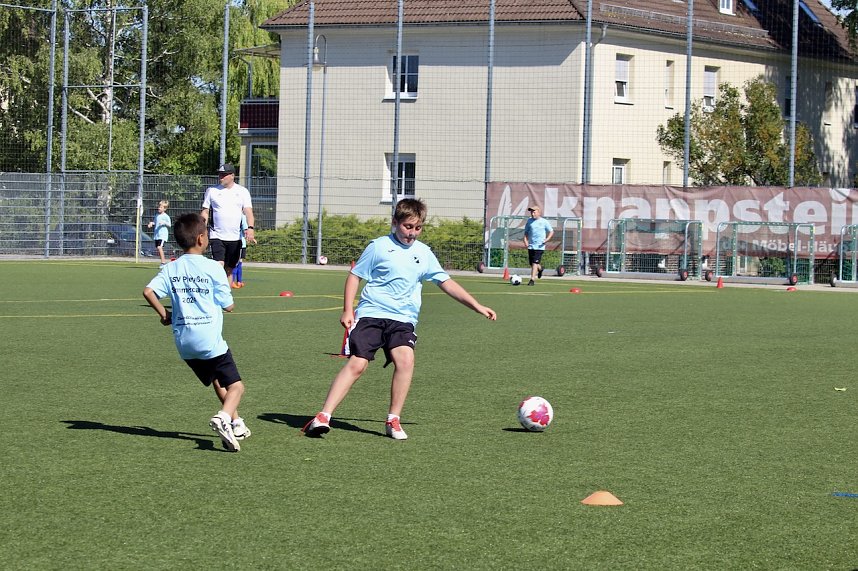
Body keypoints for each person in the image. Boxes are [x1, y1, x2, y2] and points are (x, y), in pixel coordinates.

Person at [303, 198, 497, 440]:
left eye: (417, 228)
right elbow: (355, 276)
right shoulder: (378, 246)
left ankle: (393, 419)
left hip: (403, 318)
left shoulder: (424, 253)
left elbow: (446, 283)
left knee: (405, 360)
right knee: (358, 364)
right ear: (395, 223)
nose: (412, 233)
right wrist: (347, 310)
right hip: (372, 313)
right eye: (408, 227)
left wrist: (476, 306)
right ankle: (324, 416)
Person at [142, 212, 251, 452]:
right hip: (209, 339)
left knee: (217, 378)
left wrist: (165, 315)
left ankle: (236, 423)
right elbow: (229, 306)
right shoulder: (213, 268)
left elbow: (148, 292)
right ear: (201, 239)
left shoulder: (172, 268)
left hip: (184, 343)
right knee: (237, 387)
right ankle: (223, 417)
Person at [201, 163, 257, 287]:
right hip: (216, 235)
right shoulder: (211, 191)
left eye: (224, 175)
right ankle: (214, 293)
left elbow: (249, 212)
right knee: (219, 265)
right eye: (220, 174)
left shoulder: (242, 191)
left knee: (229, 269)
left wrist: (250, 228)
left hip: (235, 237)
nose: (221, 177)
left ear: (232, 175)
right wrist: (202, 228)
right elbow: (205, 211)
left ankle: (226, 297)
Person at [523, 205, 554, 286]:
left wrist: (547, 239)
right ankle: (540, 269)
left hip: (540, 246)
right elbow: (526, 232)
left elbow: (551, 231)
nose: (532, 214)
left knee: (534, 262)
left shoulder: (544, 222)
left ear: (538, 212)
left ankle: (532, 279)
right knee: (532, 263)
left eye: (534, 212)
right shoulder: (529, 221)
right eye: (531, 212)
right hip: (531, 246)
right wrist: (525, 240)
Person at [147, 200, 171, 267]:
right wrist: (151, 223)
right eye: (159, 207)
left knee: (159, 247)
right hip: (157, 235)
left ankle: (163, 263)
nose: (159, 208)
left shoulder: (166, 216)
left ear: (165, 209)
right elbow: (155, 222)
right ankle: (162, 262)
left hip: (162, 235)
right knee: (158, 248)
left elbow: (169, 224)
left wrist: (164, 223)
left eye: (160, 207)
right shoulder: (157, 215)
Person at [231, 214, 248, 289]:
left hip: (239, 242)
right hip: (239, 243)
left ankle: (239, 281)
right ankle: (233, 282)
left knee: (239, 262)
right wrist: (249, 235)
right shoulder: (241, 216)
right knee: (237, 263)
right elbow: (245, 229)